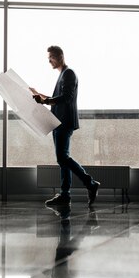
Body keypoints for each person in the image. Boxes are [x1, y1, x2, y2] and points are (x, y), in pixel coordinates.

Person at [30, 45, 100, 207]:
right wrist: (39, 94)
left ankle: (89, 183)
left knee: (63, 157)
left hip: (64, 122)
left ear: (60, 56)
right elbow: (57, 97)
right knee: (62, 159)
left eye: (51, 58)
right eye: (48, 58)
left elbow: (66, 98)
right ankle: (65, 194)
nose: (49, 61)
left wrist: (45, 100)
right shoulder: (63, 74)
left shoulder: (68, 74)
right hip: (58, 121)